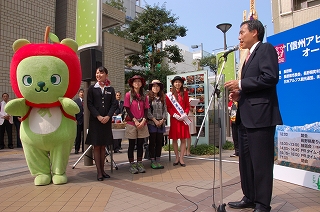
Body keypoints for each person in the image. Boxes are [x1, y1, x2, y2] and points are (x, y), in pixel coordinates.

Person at [224, 19, 283, 212]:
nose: (239, 36)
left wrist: (240, 84)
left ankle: (262, 204)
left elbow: (270, 77)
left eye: (242, 32)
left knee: (261, 163)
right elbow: (255, 84)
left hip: (261, 117)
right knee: (246, 162)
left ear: (255, 32)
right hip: (245, 117)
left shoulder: (265, 49)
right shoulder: (248, 56)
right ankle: (249, 196)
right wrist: (240, 94)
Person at [85, 66, 117, 181]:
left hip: (106, 121)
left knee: (103, 146)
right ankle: (99, 172)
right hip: (95, 121)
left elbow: (114, 104)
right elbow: (89, 104)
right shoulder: (92, 88)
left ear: (106, 75)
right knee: (96, 146)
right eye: (97, 73)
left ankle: (103, 170)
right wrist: (98, 116)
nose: (99, 75)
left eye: (101, 73)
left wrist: (108, 116)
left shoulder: (110, 89)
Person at [124, 75, 150, 174]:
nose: (137, 83)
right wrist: (135, 120)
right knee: (131, 145)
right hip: (132, 123)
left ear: (142, 84)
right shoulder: (128, 95)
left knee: (140, 144)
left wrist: (143, 120)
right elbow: (127, 108)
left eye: (139, 81)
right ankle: (132, 164)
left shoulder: (145, 96)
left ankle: (139, 162)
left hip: (142, 123)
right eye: (135, 81)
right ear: (132, 83)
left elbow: (146, 109)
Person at [166, 76, 190, 167]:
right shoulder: (169, 95)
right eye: (175, 82)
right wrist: (174, 115)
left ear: (182, 83)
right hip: (175, 120)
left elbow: (187, 106)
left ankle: (181, 158)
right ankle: (176, 157)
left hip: (183, 119)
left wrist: (185, 114)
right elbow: (168, 107)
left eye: (179, 82)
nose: (177, 84)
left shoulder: (185, 94)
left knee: (183, 139)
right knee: (175, 139)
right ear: (173, 84)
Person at [147, 80, 167, 169]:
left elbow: (165, 110)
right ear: (151, 88)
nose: (156, 88)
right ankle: (152, 160)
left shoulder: (163, 97)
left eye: (157, 86)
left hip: (161, 123)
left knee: (159, 142)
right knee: (152, 142)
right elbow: (147, 111)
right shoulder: (148, 98)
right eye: (154, 86)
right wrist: (155, 120)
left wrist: (163, 119)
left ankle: (158, 160)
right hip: (152, 123)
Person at [74, 88, 84, 154]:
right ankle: (76, 149)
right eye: (81, 92)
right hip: (78, 120)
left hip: (85, 121)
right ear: (78, 93)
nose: (82, 94)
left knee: (85, 136)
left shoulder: (86, 101)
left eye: (83, 92)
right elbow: (74, 111)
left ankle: (84, 149)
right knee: (78, 136)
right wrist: (75, 119)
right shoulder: (76, 101)